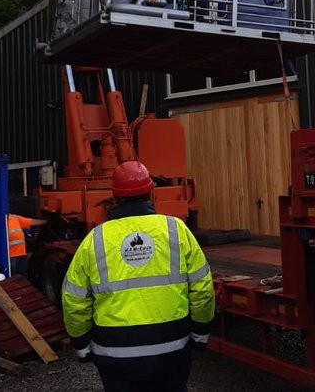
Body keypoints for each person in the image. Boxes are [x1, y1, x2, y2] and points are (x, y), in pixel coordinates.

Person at [63, 161, 214, 391]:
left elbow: (74, 300)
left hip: (115, 355)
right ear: (151, 192)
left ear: (114, 196)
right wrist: (201, 334)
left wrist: (82, 345)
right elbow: (202, 289)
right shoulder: (176, 230)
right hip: (171, 349)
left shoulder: (95, 239)